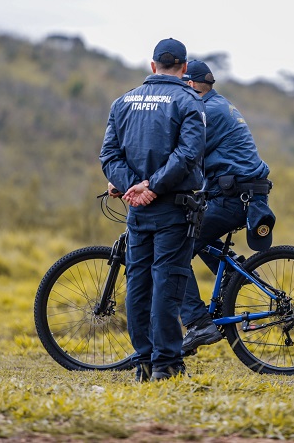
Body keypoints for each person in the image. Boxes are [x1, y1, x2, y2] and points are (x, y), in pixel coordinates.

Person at [99, 38, 206, 382]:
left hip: (137, 211)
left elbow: (109, 156)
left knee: (139, 284)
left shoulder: (123, 102)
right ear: (185, 68)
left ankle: (144, 362)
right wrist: (152, 186)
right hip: (173, 209)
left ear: (152, 66)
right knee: (168, 283)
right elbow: (188, 154)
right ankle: (165, 364)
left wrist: (133, 187)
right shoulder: (188, 100)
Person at [177, 60, 272, 355]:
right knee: (192, 229)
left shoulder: (206, 112)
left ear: (190, 85)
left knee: (175, 248)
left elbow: (185, 155)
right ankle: (232, 273)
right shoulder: (218, 104)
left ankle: (197, 322)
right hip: (237, 194)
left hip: (234, 198)